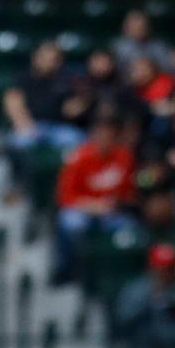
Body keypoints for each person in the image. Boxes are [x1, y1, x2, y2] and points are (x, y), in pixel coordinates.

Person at [53, 113, 136, 284]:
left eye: (110, 135)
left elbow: (129, 193)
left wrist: (117, 203)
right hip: (84, 211)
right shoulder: (79, 157)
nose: (105, 139)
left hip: (112, 213)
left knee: (131, 231)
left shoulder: (124, 156)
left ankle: (116, 275)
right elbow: (65, 197)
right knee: (70, 222)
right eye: (102, 134)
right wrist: (93, 206)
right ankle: (69, 269)